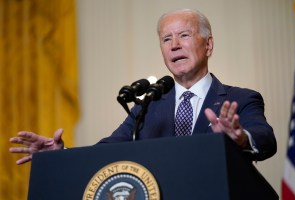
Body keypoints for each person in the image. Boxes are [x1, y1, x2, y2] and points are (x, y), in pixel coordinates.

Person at [9, 9, 277, 164]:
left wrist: (240, 138)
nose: (174, 45)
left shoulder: (240, 98)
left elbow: (265, 138)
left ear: (208, 45)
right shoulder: (147, 107)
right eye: (166, 39)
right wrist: (60, 155)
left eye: (184, 35)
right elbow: (106, 151)